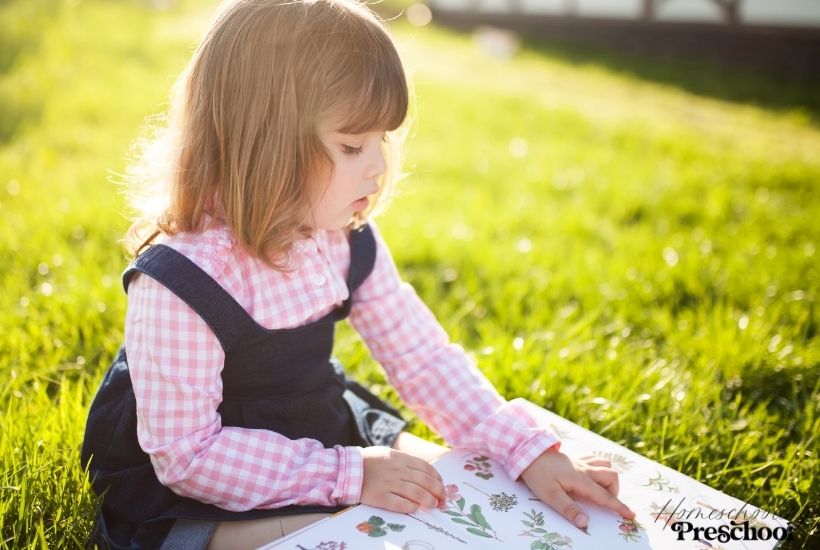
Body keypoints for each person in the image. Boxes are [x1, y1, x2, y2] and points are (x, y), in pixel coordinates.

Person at [81, 0, 635, 548]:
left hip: (312, 422)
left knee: (441, 490)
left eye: (382, 141)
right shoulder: (183, 280)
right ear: (264, 142)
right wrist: (350, 476)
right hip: (212, 466)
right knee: (317, 525)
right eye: (351, 146)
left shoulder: (340, 235)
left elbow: (422, 358)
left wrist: (526, 450)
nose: (376, 167)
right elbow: (188, 456)